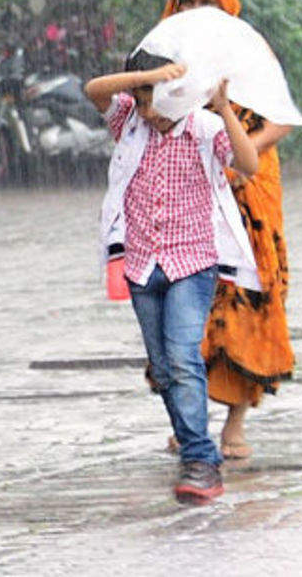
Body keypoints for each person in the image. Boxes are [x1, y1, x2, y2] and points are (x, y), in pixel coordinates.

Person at [85, 48, 259, 504]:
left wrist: (222, 107)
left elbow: (249, 164)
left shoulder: (204, 129)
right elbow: (94, 91)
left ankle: (201, 461)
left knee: (182, 357)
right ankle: (192, 444)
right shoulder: (129, 124)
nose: (147, 111)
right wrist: (145, 78)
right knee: (163, 369)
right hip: (143, 265)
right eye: (140, 99)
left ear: (181, 95)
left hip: (192, 264)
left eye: (156, 100)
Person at [162, 0, 295, 460]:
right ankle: (188, 419)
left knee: (246, 297)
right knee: (179, 305)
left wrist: (244, 156)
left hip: (250, 192)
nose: (199, 13)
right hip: (186, 191)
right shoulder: (163, 52)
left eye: (209, 4)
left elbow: (280, 118)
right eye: (190, 3)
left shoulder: (249, 51)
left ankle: (234, 425)